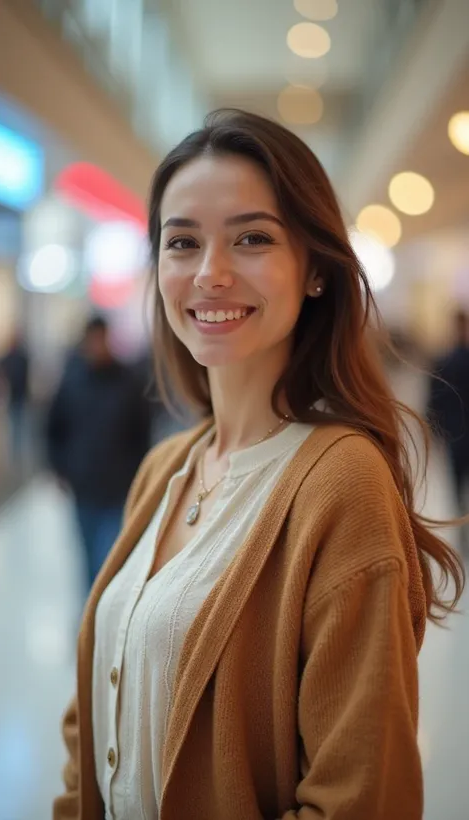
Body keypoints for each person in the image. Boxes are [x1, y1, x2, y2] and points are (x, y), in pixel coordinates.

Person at [53, 110, 465, 820]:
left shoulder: (342, 484)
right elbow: (90, 728)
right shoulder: (165, 469)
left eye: (251, 238)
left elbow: (362, 799)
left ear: (312, 270)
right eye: (182, 242)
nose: (210, 273)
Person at [47, 316, 152, 591]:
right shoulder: (71, 380)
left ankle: (104, 612)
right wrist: (59, 468)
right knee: (87, 559)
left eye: (101, 339)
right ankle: (90, 617)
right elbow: (53, 427)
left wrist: (139, 474)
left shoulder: (128, 382)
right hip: (83, 487)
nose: (97, 346)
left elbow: (142, 433)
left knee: (109, 557)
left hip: (119, 487)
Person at [427, 309, 469, 516]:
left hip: (455, 434)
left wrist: (434, 432)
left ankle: (462, 524)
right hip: (458, 433)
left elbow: (434, 400)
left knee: (457, 486)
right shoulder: (447, 361)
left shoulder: (444, 361)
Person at [0, 332, 30, 469]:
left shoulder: (20, 358)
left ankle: (16, 455)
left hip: (19, 396)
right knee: (16, 426)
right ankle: (15, 455)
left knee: (17, 426)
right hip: (15, 396)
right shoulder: (17, 358)